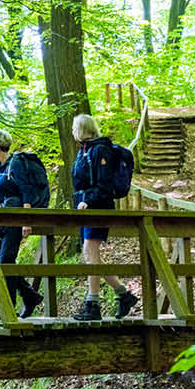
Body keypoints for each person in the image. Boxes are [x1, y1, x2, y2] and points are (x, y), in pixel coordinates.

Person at [69, 114, 137, 321]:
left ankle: (93, 303)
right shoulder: (85, 151)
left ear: (82, 129)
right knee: (90, 255)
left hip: (97, 208)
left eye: (74, 128)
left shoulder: (100, 150)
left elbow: (105, 185)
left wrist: (88, 200)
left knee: (90, 253)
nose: (72, 132)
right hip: (86, 208)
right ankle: (123, 294)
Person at [0, 129, 45, 317]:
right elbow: (1, 191)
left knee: (6, 262)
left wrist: (26, 220)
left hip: (15, 219)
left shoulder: (15, 163)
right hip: (0, 221)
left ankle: (7, 309)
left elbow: (25, 192)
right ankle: (30, 296)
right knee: (3, 261)